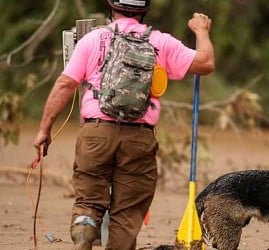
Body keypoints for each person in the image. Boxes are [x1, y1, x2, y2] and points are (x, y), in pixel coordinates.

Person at [33, 0, 215, 249]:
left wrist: (45, 129)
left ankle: (85, 227)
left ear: (111, 6)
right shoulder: (160, 41)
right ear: (144, 10)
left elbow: (65, 84)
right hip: (139, 138)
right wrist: (201, 32)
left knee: (89, 199)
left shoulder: (93, 39)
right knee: (127, 213)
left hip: (96, 132)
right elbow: (205, 63)